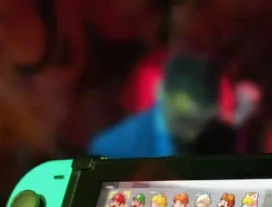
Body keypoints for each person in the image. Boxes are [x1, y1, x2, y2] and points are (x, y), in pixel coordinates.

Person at [88, 50, 235, 158]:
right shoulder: (113, 149)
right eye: (186, 119)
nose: (195, 130)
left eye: (200, 121)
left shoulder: (221, 143)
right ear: (161, 93)